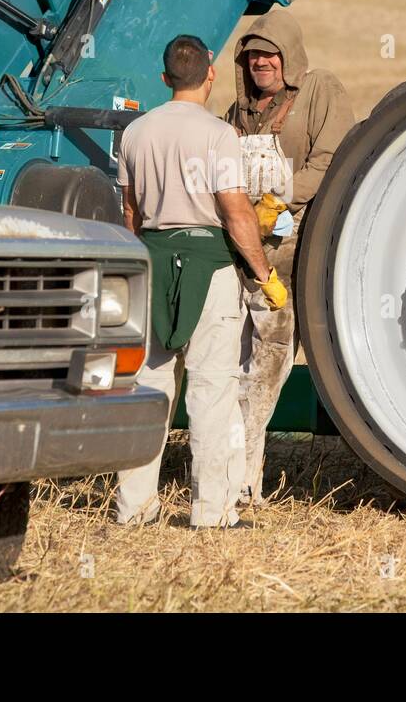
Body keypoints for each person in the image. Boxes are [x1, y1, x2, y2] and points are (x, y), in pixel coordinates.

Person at [115, 35, 289, 528]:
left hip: (149, 260)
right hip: (209, 266)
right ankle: (212, 513)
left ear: (165, 77)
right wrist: (262, 272)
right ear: (210, 74)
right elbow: (235, 212)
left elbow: (129, 213)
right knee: (211, 391)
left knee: (149, 387)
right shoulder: (218, 135)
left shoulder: (135, 132)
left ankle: (134, 509)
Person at [225, 7, 354, 505]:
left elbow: (329, 158)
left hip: (296, 244)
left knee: (272, 360)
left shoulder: (320, 89)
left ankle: (244, 478)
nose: (260, 62)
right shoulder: (237, 112)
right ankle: (233, 476)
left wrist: (280, 200)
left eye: (269, 53)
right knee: (235, 362)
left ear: (289, 57)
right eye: (252, 53)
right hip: (242, 247)